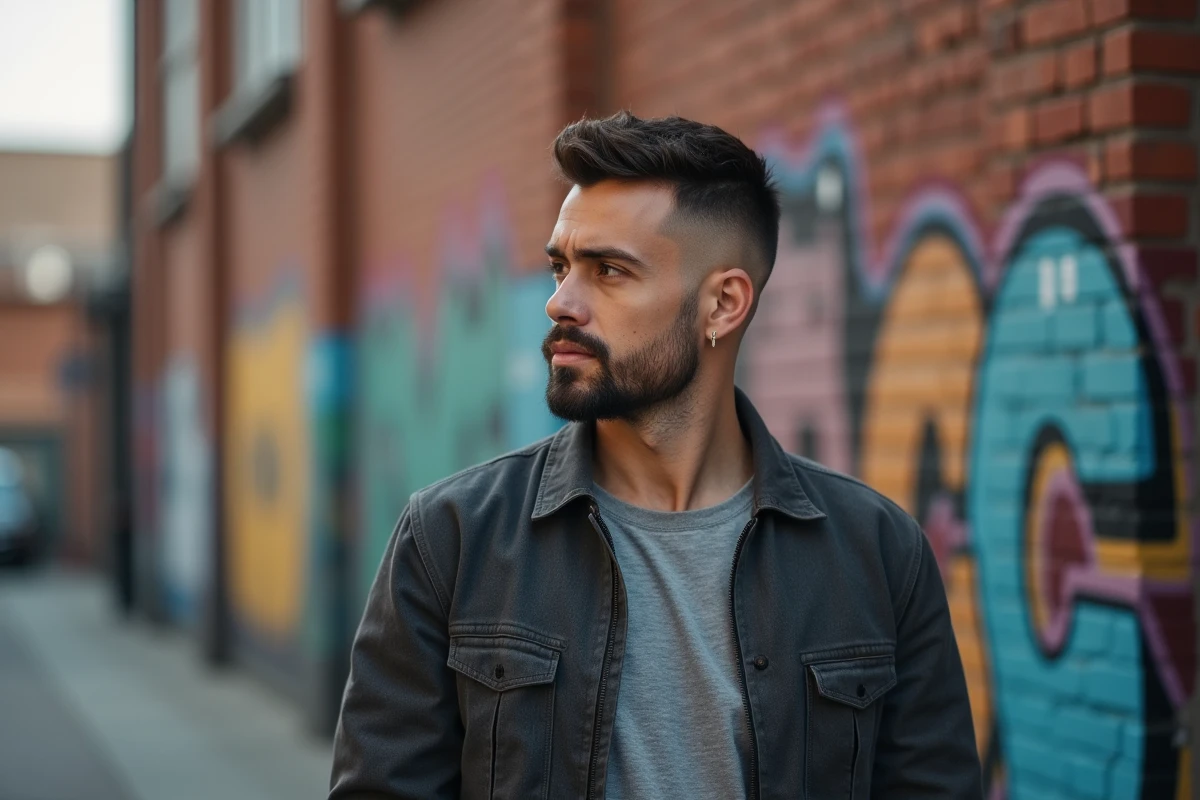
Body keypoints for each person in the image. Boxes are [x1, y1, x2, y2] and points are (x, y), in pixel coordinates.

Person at [329, 112, 982, 799]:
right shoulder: (450, 542)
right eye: (560, 266)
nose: (560, 303)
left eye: (609, 271)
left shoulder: (876, 555)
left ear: (723, 304)